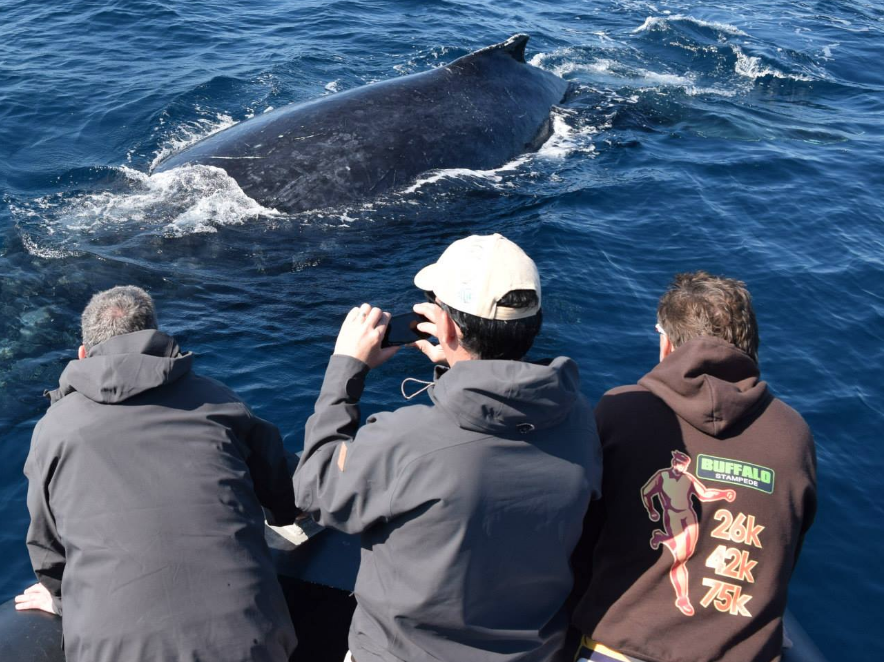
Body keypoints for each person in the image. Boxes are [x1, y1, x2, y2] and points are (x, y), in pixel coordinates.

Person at [292, 233, 601, 662]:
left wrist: (346, 369)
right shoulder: (579, 420)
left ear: (449, 327)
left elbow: (314, 489)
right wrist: (456, 369)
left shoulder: (407, 439)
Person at [14, 285, 298, 662]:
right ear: (157, 337)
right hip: (249, 640)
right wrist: (285, 513)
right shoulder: (219, 400)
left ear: (83, 353)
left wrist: (63, 599)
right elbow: (282, 490)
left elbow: (47, 547)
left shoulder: (54, 429)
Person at [570, 272, 816, 662]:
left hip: (621, 647)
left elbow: (579, 534)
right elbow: (787, 547)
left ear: (667, 344)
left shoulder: (621, 410)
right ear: (751, 347)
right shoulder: (793, 435)